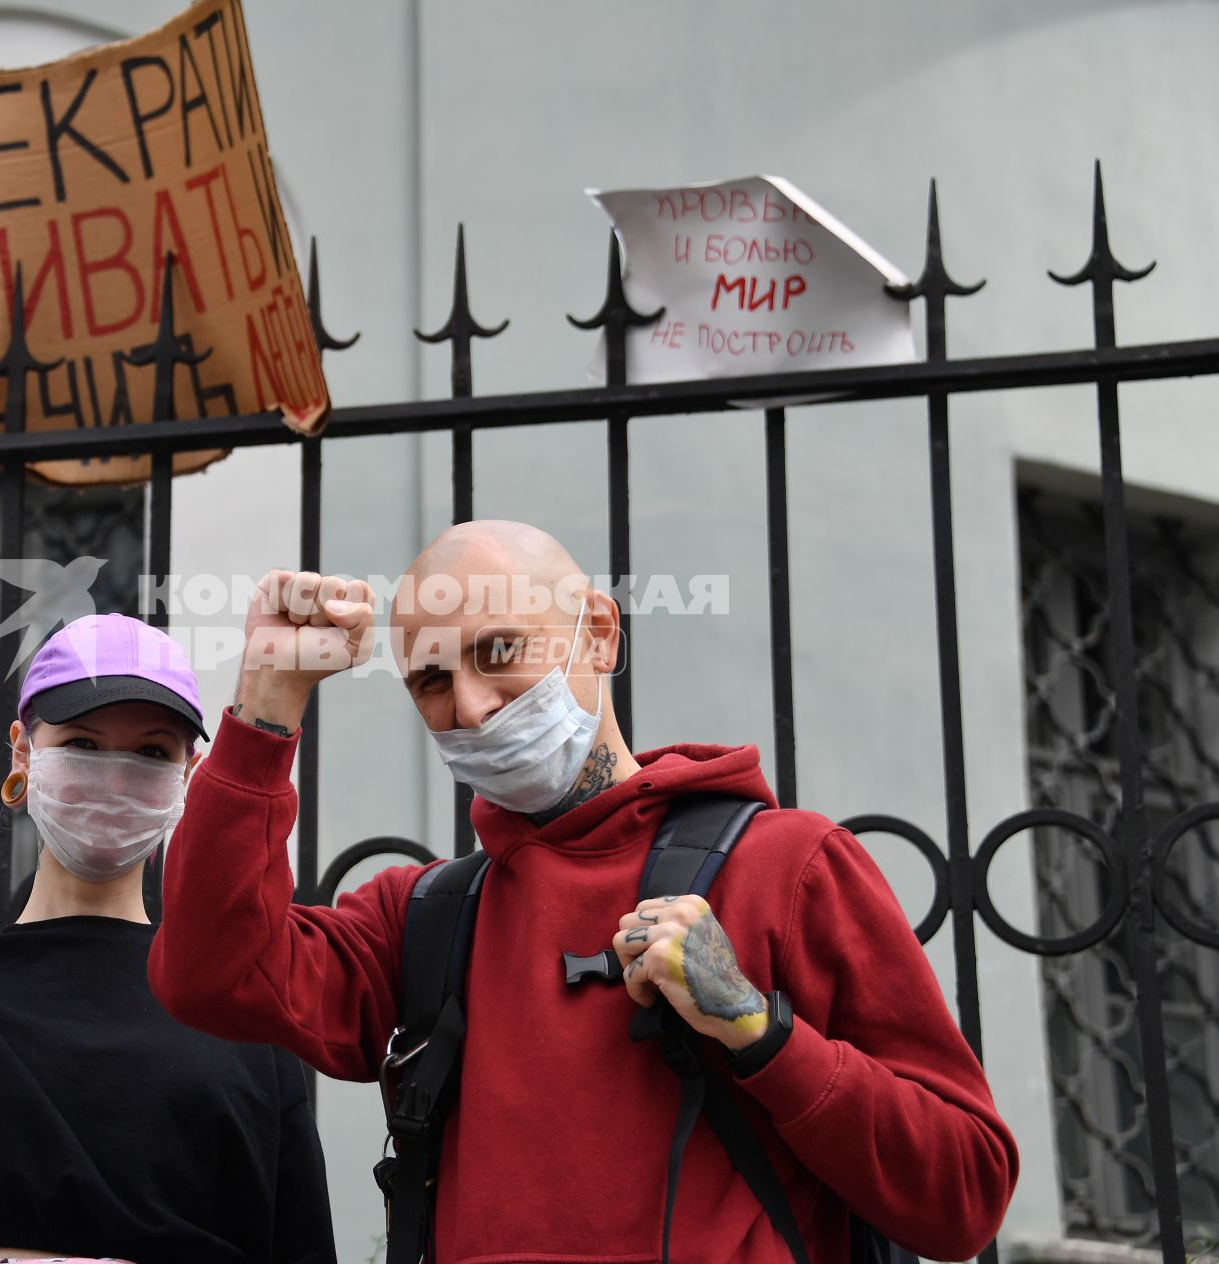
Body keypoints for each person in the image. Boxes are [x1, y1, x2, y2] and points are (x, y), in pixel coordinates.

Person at [149, 519, 1019, 1263]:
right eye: (432, 683)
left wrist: (760, 1029)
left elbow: (964, 1191)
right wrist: (268, 702)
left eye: (499, 652)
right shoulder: (424, 918)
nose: (476, 707)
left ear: (598, 633)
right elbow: (208, 970)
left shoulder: (788, 866)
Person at [0, 517, 337, 1264]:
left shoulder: (246, 1027)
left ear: (189, 777)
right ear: (22, 754)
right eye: (81, 744)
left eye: (149, 751)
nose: (115, 773)